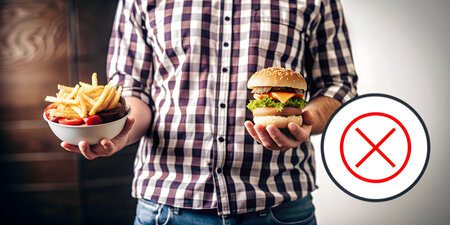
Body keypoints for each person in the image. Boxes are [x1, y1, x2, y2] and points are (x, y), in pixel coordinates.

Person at [61, 0, 357, 224]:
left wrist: (306, 119)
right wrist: (120, 133)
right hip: (167, 207)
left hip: (279, 206)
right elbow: (131, 90)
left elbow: (338, 85)